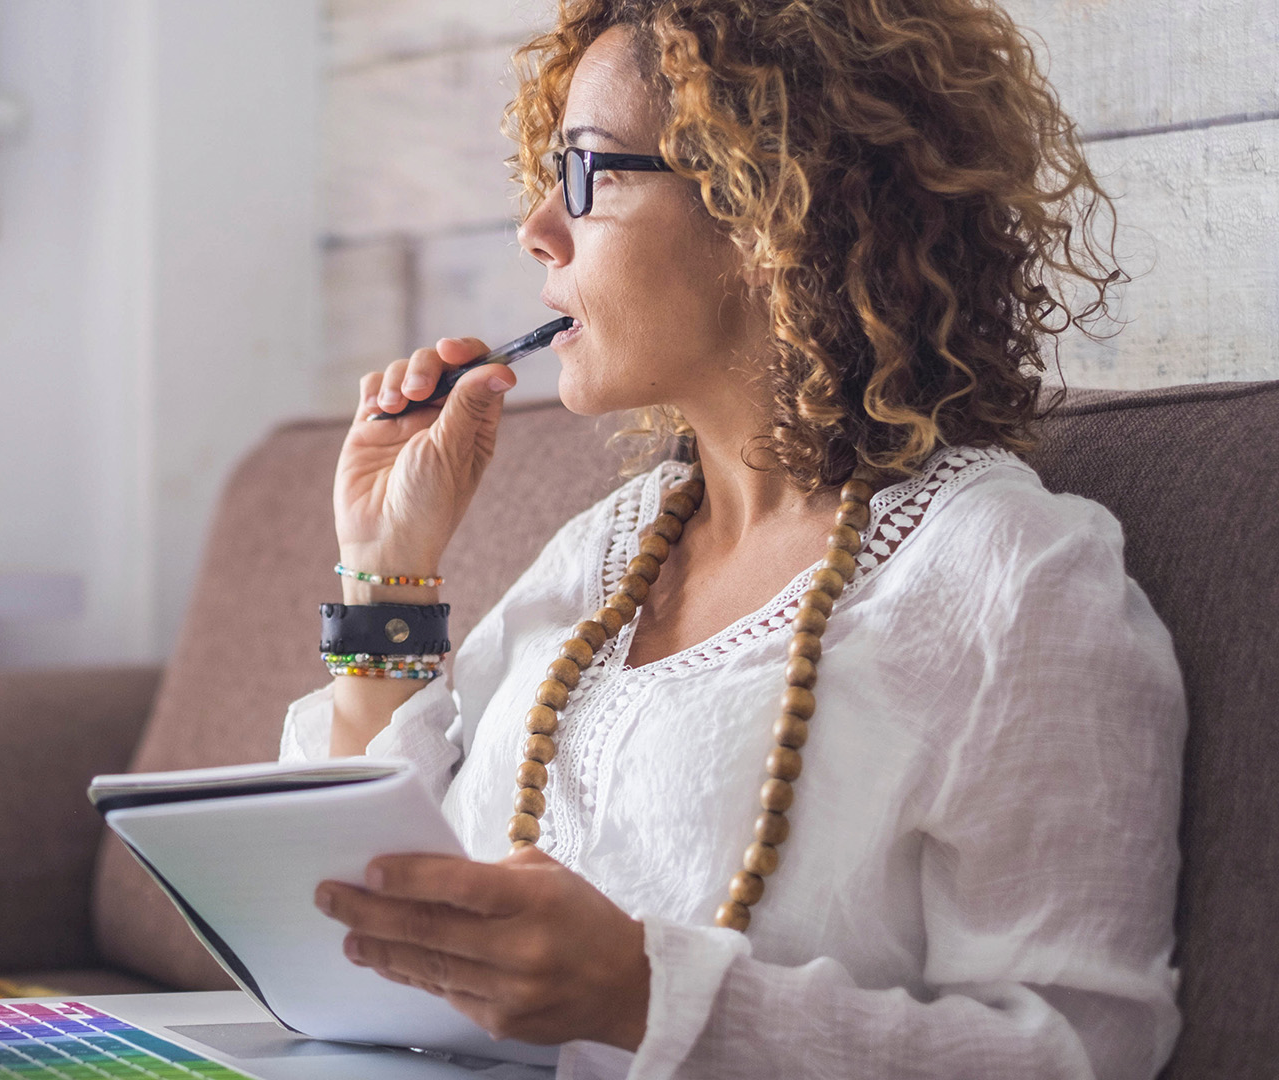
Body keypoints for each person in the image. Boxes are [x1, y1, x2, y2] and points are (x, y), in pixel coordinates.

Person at [285, 1, 1184, 1078]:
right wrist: (386, 572)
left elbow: (1084, 1054)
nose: (536, 225)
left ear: (768, 209)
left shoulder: (1010, 577)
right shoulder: (604, 552)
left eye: (588, 172)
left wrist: (645, 995)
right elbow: (388, 909)